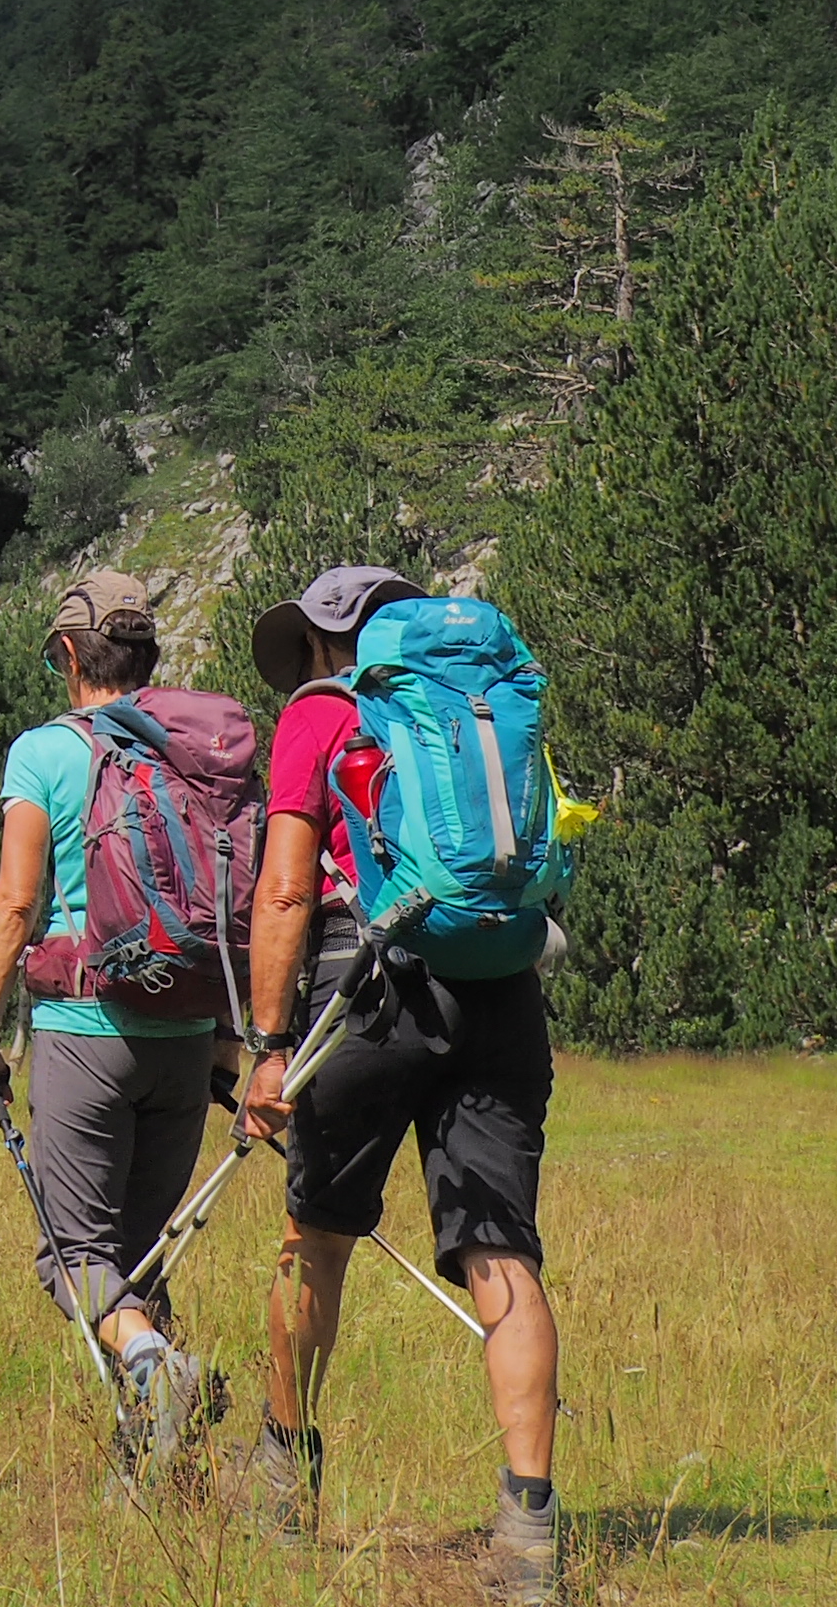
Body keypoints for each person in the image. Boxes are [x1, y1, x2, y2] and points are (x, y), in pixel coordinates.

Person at [241, 566, 568, 1602]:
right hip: (504, 987)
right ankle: (528, 1528)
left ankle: (284, 1478)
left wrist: (266, 1041)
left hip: (367, 989)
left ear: (329, 646)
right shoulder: (486, 704)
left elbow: (288, 885)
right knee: (501, 1249)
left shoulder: (325, 716)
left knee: (317, 1237)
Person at [0, 570, 231, 1471]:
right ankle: (155, 1462)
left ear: (70, 655)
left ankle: (156, 1372)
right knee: (143, 1259)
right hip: (189, 1032)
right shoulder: (191, 748)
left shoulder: (44, 753)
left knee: (73, 1256)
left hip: (85, 1027)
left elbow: (13, 903)